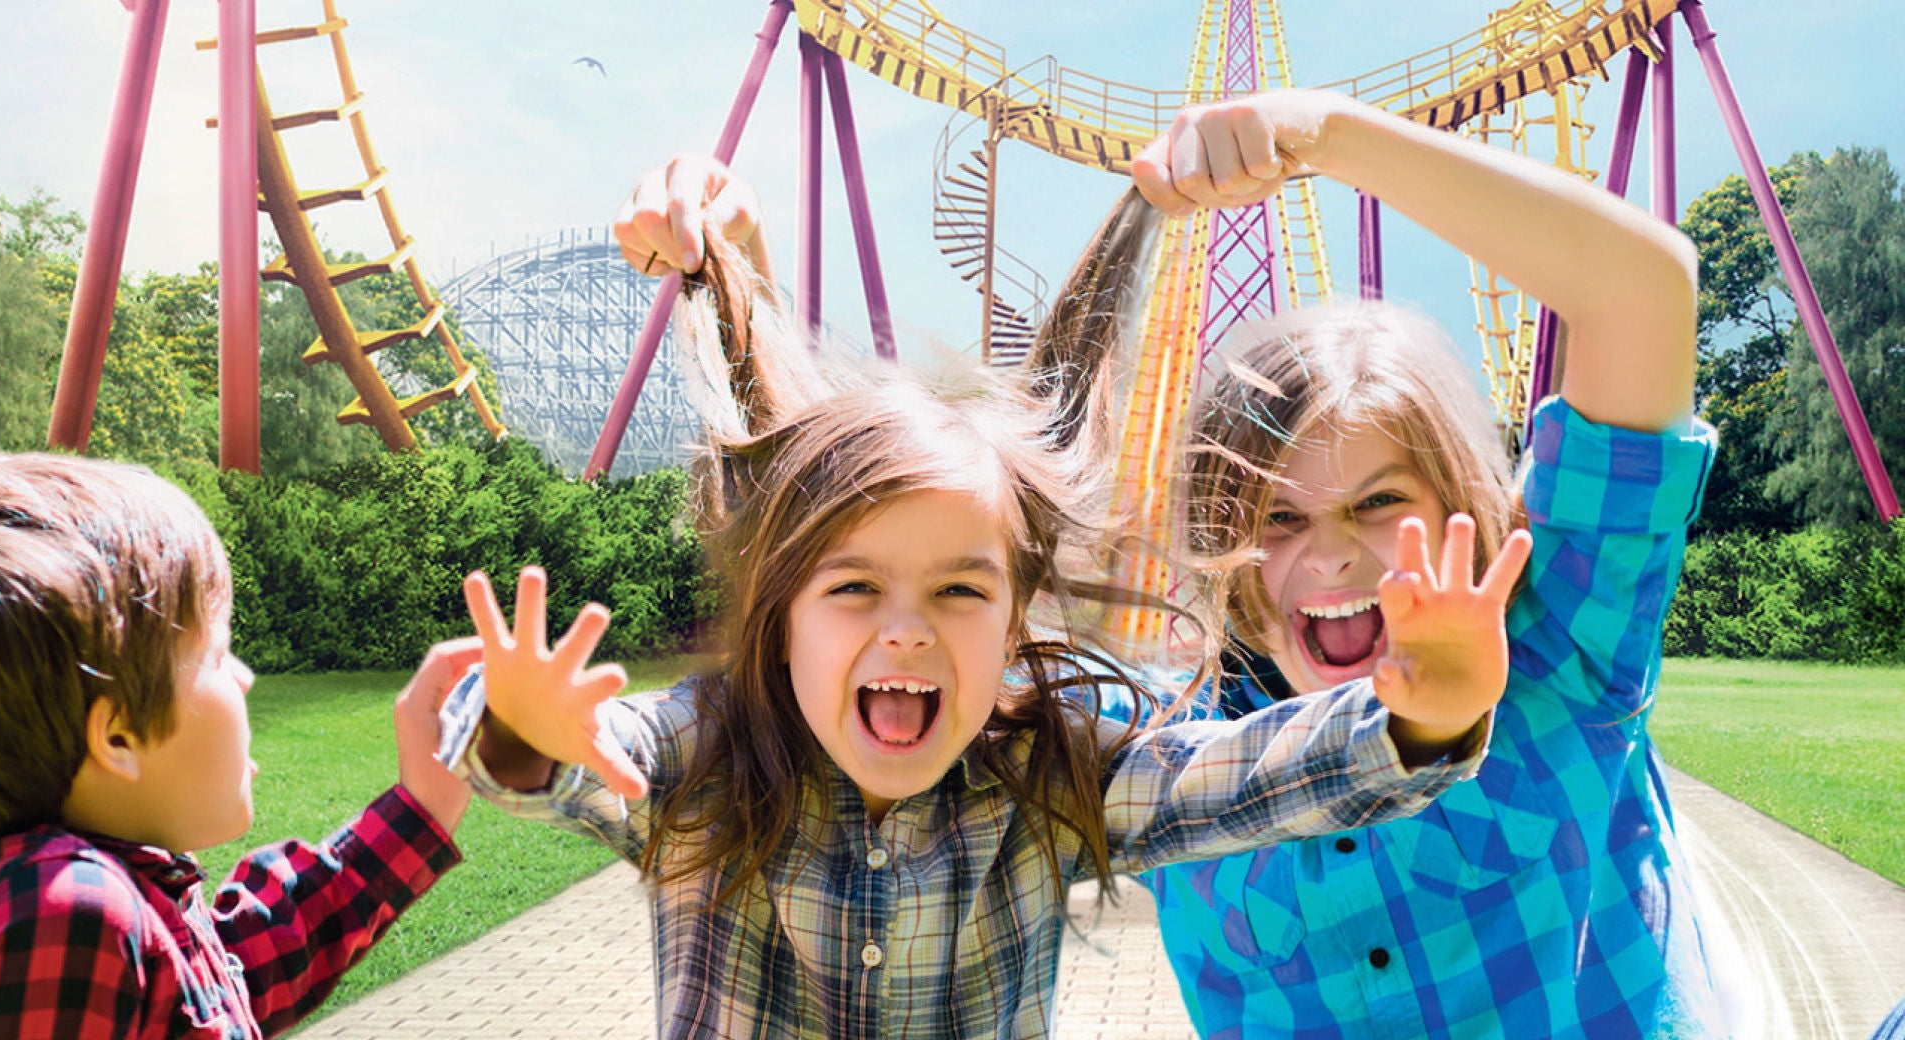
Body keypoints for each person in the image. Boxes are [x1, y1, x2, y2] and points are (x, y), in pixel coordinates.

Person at [432, 191, 1534, 1039]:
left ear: (1013, 623)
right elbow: (587, 753)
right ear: (783, 617)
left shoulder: (1051, 771)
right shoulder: (713, 747)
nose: (907, 630)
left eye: (959, 590)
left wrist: (1415, 718)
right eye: (855, 587)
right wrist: (524, 730)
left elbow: (1247, 773)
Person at [1084, 87, 1726, 1037]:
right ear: (1225, 543)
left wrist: (1322, 133)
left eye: (1379, 502)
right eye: (1279, 519)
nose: (1334, 554)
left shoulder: (1559, 647)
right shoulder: (1168, 743)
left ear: (1457, 502)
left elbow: (1642, 292)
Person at [0, 453, 477, 1039]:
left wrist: (424, 805)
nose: (245, 677)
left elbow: (238, 973)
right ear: (118, 735)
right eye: (217, 655)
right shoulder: (68, 914)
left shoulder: (121, 908)